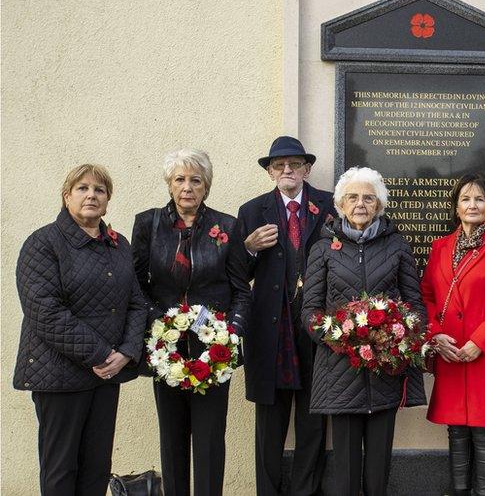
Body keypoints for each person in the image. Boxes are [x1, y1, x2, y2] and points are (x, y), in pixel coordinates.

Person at [14, 164, 147, 496]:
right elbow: (45, 312)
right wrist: (103, 354)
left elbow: (136, 303)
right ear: (66, 195)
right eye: (83, 188)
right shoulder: (43, 243)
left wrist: (127, 353)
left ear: (107, 200)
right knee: (61, 470)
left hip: (106, 376)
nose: (91, 195)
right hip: (59, 377)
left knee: (96, 469)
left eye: (99, 190)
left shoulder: (118, 245)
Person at [301, 166, 427, 496]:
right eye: (353, 197)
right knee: (344, 472)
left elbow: (414, 304)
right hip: (340, 372)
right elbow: (311, 312)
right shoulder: (323, 249)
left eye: (369, 198)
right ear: (340, 205)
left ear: (379, 206)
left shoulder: (397, 245)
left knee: (377, 469)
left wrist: (396, 338)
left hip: (386, 370)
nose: (361, 203)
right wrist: (345, 341)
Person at [131, 149, 250, 496]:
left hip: (214, 352)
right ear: (169, 185)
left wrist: (230, 336)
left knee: (211, 440)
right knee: (172, 439)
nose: (187, 187)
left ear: (206, 187)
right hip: (164, 349)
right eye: (180, 180)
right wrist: (161, 327)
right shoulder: (148, 224)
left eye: (196, 180)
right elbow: (136, 287)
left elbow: (242, 292)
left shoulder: (226, 226)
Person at [233, 136, 336, 496]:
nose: (287, 170)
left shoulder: (329, 205)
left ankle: (306, 490)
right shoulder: (251, 211)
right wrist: (248, 248)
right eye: (279, 165)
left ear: (307, 169)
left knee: (313, 420)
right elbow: (235, 274)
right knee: (270, 422)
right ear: (269, 172)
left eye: (294, 164)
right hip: (270, 330)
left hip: (316, 327)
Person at [422, 173, 485, 496]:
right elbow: (425, 297)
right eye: (465, 199)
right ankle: (459, 490)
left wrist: (479, 342)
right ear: (456, 206)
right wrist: (436, 335)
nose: (472, 205)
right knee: (456, 430)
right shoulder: (440, 248)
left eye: (479, 199)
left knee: (483, 431)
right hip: (450, 350)